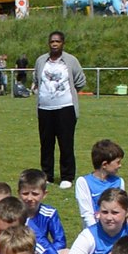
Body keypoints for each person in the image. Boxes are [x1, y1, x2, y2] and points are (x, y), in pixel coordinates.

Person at [33, 31, 85, 189]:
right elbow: (36, 79)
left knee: (66, 143)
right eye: (52, 41)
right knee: (46, 143)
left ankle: (67, 176)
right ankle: (47, 175)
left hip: (65, 108)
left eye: (58, 41)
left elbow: (80, 80)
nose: (54, 44)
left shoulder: (70, 60)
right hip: (45, 108)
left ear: (63, 43)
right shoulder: (41, 60)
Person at [73, 139, 125, 229]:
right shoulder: (83, 182)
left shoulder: (119, 182)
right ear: (105, 164)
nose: (120, 165)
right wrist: (96, 233)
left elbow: (123, 208)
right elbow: (86, 213)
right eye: (118, 162)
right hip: (94, 232)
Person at [18, 169, 67, 254]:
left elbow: (60, 242)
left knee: (66, 253)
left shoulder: (49, 213)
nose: (29, 198)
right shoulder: (14, 213)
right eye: (25, 193)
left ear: (44, 194)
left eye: (35, 194)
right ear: (18, 193)